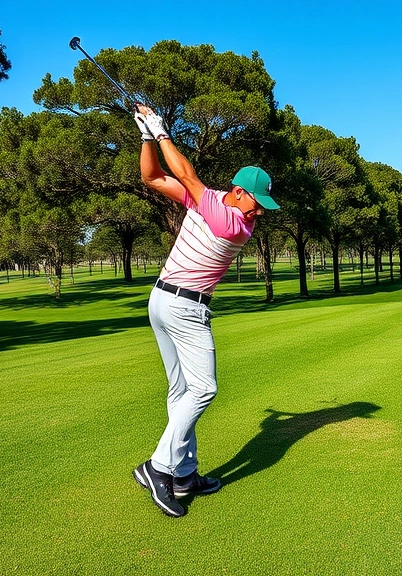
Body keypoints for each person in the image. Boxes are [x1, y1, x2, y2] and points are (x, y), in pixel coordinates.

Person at [130, 104, 279, 518]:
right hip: (183, 308)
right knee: (204, 389)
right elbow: (154, 177)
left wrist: (158, 132)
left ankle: (184, 473)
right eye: (258, 202)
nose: (260, 212)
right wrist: (150, 136)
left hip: (161, 300)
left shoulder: (233, 222)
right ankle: (160, 467)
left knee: (182, 391)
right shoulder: (212, 204)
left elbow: (186, 179)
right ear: (239, 191)